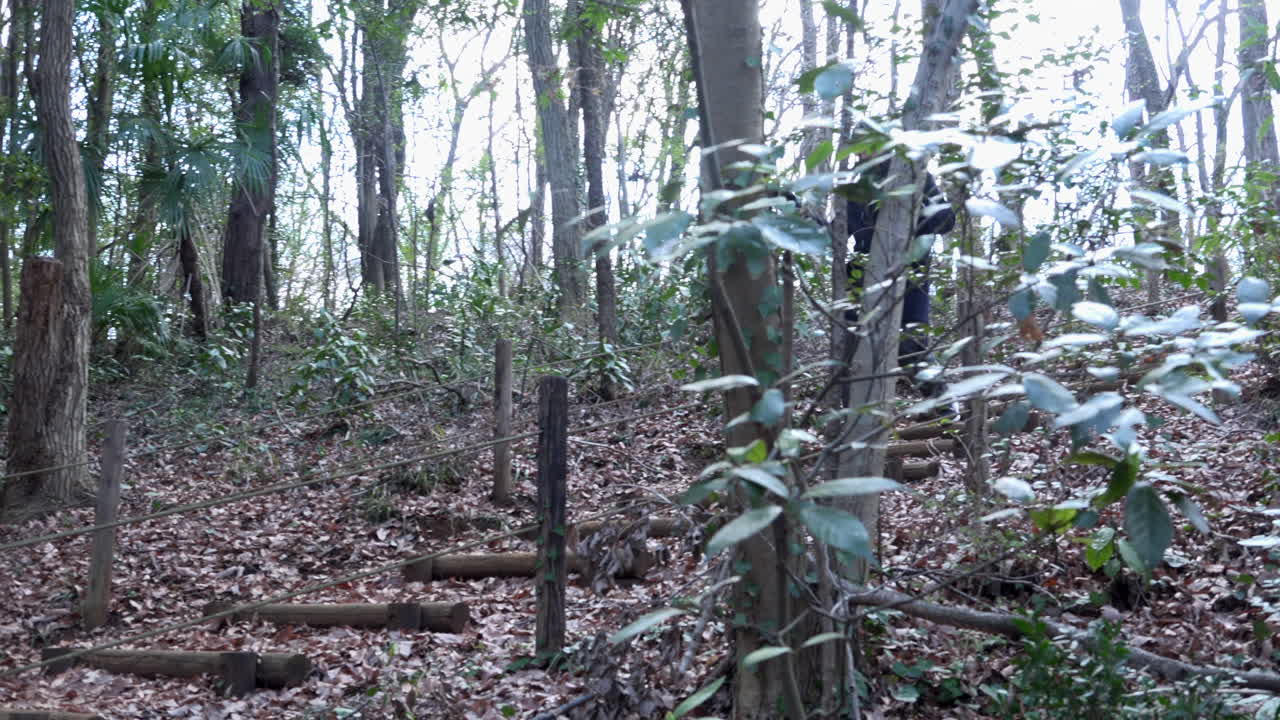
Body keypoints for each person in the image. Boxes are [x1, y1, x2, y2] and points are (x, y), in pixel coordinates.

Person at [842, 163, 955, 396]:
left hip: (909, 271)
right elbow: (836, 231)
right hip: (863, 275)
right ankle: (850, 409)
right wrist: (799, 211)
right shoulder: (856, 187)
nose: (863, 154)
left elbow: (946, 220)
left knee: (911, 343)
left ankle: (943, 405)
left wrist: (914, 216)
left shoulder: (915, 176)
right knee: (853, 343)